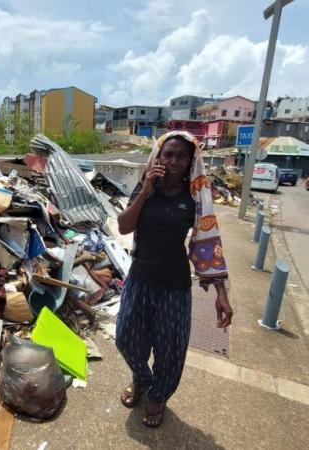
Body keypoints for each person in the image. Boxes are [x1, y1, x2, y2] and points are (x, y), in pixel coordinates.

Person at [115, 131, 233, 428]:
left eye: (182, 155)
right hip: (140, 278)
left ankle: (157, 397)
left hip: (174, 285)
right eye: (168, 154)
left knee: (170, 349)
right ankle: (142, 380)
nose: (174, 161)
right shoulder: (146, 188)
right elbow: (124, 225)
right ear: (158, 156)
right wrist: (145, 191)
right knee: (126, 338)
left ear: (191, 161)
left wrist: (221, 293)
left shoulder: (194, 196)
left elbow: (207, 241)